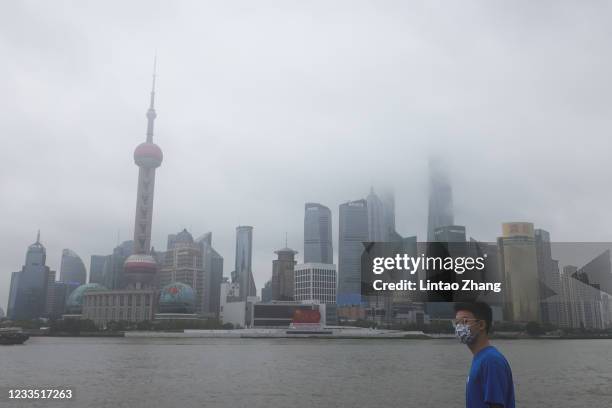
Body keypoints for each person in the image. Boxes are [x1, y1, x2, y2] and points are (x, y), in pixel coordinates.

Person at [453, 302, 515, 408]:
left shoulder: (491, 361)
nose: (459, 327)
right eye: (457, 323)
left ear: (481, 325)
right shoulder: (480, 358)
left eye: (465, 321)